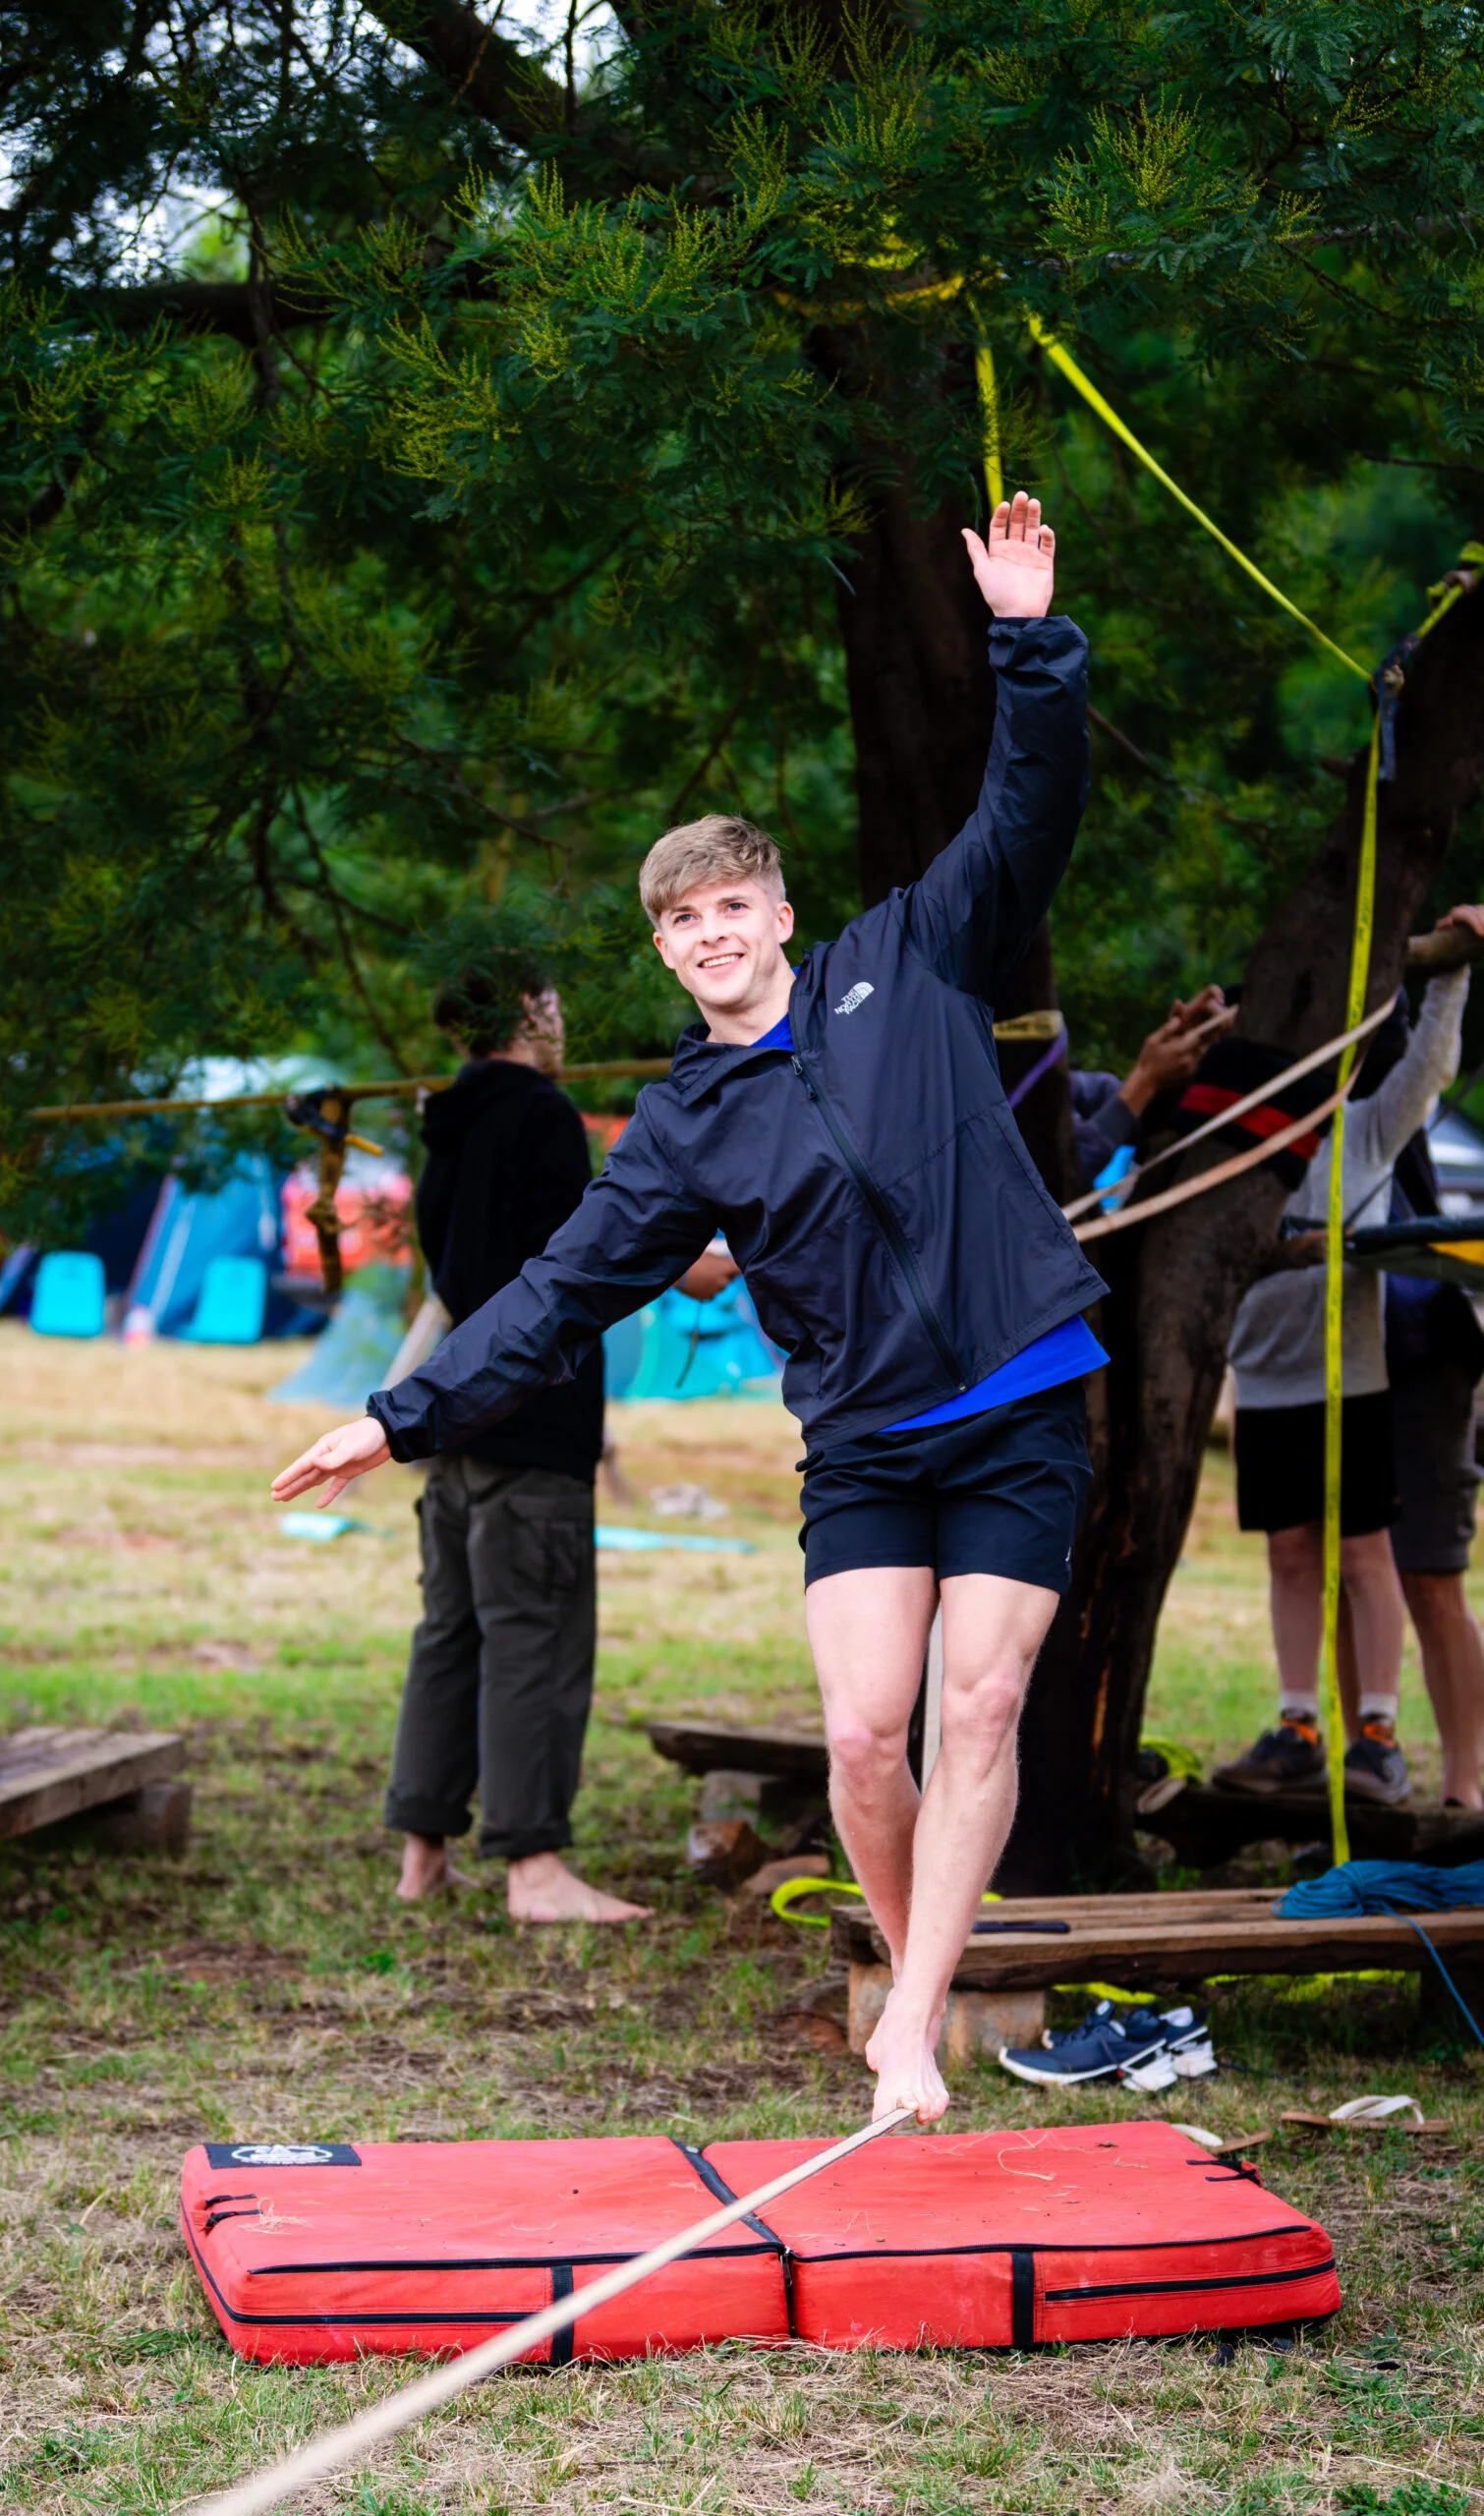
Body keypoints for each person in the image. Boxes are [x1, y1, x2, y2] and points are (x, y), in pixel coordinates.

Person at [274, 490, 1107, 2123]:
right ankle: (905, 1950)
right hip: (865, 1437)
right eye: (681, 920)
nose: (712, 933)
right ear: (664, 954)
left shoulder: (908, 959)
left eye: (733, 904)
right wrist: (395, 1414)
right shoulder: (679, 1131)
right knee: (867, 1738)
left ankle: (910, 2019)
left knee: (983, 1696)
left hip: (1013, 1390)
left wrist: (1028, 640)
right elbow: (558, 1293)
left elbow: (1028, 808)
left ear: (780, 913)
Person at [384, 959, 648, 1924]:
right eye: (557, 1002)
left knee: (450, 1630)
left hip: (451, 1412)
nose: (566, 1020)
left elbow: (467, 1274)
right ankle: (535, 1873)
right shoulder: (540, 1116)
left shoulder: (447, 1126)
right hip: (530, 1422)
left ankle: (422, 1852)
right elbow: (570, 1270)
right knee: (534, 1634)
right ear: (531, 1012)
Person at [1215, 920, 1483, 1805]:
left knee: (1369, 1556)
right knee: (1292, 1554)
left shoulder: (1360, 1134)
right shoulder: (1227, 1143)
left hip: (1352, 1381)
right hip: (1267, 1383)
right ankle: (1299, 1725)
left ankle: (1379, 1735)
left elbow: (1428, 1072)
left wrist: (1452, 976)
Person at [1338, 1124, 1484, 1809]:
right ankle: (1362, 1777)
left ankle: (1465, 1791)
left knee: (1430, 1578)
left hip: (1423, 1352)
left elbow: (1429, 1055)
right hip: (1335, 1361)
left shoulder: (1385, 1079)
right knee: (1350, 1578)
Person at [1070, 987, 1229, 1187]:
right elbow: (1058, 1174)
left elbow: (1135, 1117)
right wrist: (1147, 1078)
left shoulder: (1062, 1087)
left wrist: (1181, 1055)